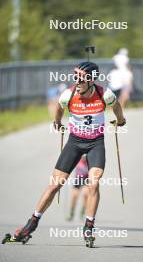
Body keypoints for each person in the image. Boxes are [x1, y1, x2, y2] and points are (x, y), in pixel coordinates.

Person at [11, 61, 126, 244]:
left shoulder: (104, 94)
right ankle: (31, 224)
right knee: (54, 185)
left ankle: (88, 227)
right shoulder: (68, 94)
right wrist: (57, 122)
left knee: (93, 184)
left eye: (81, 79)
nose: (77, 82)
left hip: (95, 143)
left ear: (90, 80)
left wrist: (120, 120)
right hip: (75, 142)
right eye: (76, 78)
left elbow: (117, 105)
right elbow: (59, 108)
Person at [66, 155, 89, 221]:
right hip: (78, 179)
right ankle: (71, 214)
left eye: (85, 158)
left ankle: (82, 213)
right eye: (82, 157)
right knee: (74, 196)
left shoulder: (89, 162)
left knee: (85, 195)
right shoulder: (77, 160)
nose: (83, 159)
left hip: (86, 179)